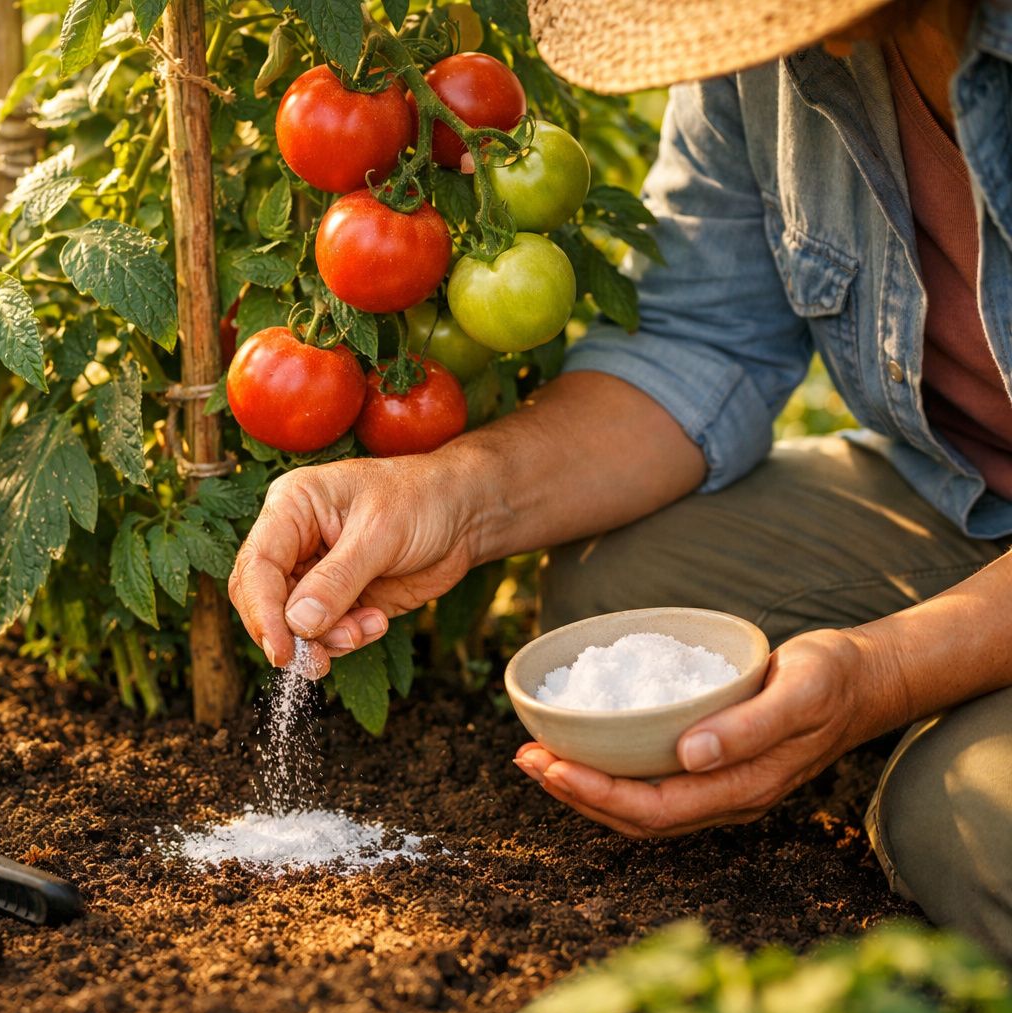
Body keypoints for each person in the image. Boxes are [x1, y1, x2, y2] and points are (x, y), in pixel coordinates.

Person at [227, 0, 1012, 958]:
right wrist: (449, 496)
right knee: (621, 602)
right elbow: (699, 342)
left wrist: (884, 675)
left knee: (967, 823)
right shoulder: (760, 47)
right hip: (963, 491)